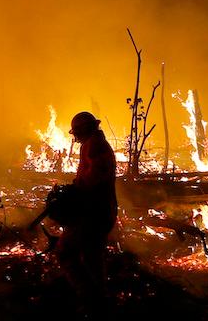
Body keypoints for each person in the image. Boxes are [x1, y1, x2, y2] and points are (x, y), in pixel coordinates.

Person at [57, 111, 118, 306]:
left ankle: (89, 297)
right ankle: (99, 299)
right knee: (92, 258)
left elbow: (96, 174)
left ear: (83, 130)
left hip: (93, 213)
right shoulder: (94, 144)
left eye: (76, 132)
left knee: (65, 251)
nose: (75, 136)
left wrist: (76, 188)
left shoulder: (94, 145)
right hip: (98, 211)